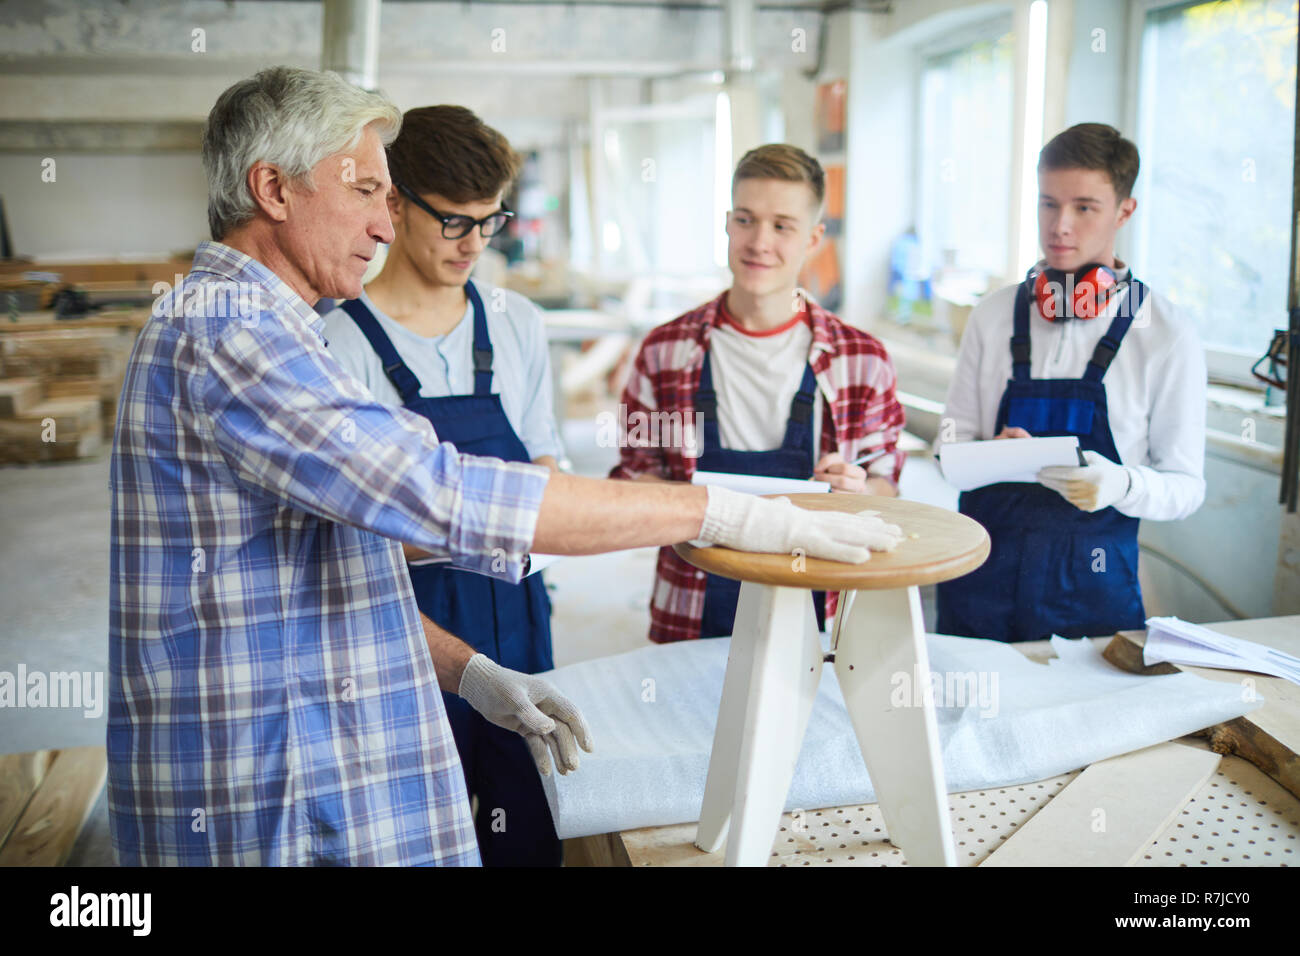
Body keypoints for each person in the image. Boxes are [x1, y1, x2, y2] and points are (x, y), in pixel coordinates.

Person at [108, 67, 903, 867]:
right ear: (274, 189)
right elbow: (444, 496)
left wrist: (471, 670)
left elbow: (325, 574)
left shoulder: (265, 328)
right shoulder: (237, 340)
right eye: (365, 194)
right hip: (260, 791)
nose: (385, 230)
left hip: (353, 706)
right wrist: (719, 511)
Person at [322, 106, 563, 866]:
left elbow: (548, 467)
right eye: (455, 222)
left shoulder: (517, 322)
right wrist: (494, 519)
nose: (475, 245)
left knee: (526, 817)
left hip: (518, 609)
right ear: (394, 204)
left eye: (491, 223)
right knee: (407, 830)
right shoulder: (337, 338)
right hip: (398, 625)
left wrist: (492, 523)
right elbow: (350, 528)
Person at [611, 144, 906, 643]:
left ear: (813, 238)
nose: (759, 242)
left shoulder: (862, 359)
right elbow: (632, 478)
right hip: (693, 604)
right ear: (727, 223)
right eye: (746, 220)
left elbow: (888, 487)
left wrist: (857, 493)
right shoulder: (665, 351)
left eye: (782, 226)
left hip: (820, 606)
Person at [934, 123, 1206, 643]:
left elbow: (1187, 487)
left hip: (1091, 594)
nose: (1060, 225)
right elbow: (947, 450)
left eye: (1085, 207)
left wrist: (1121, 483)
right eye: (1048, 204)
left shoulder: (1166, 333)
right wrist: (987, 455)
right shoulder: (993, 316)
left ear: (1124, 211)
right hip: (980, 586)